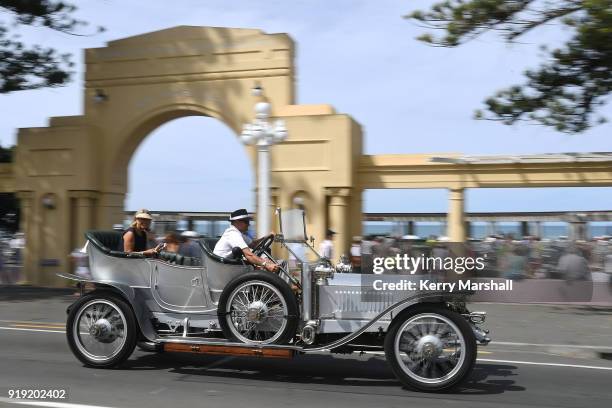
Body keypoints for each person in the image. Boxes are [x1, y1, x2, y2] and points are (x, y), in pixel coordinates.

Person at [213, 209, 279, 273]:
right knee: (265, 267)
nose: (248, 224)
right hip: (223, 269)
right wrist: (266, 264)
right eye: (246, 221)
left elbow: (254, 244)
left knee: (274, 263)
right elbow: (249, 255)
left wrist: (267, 236)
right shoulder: (233, 234)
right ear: (237, 222)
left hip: (230, 266)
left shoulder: (238, 233)